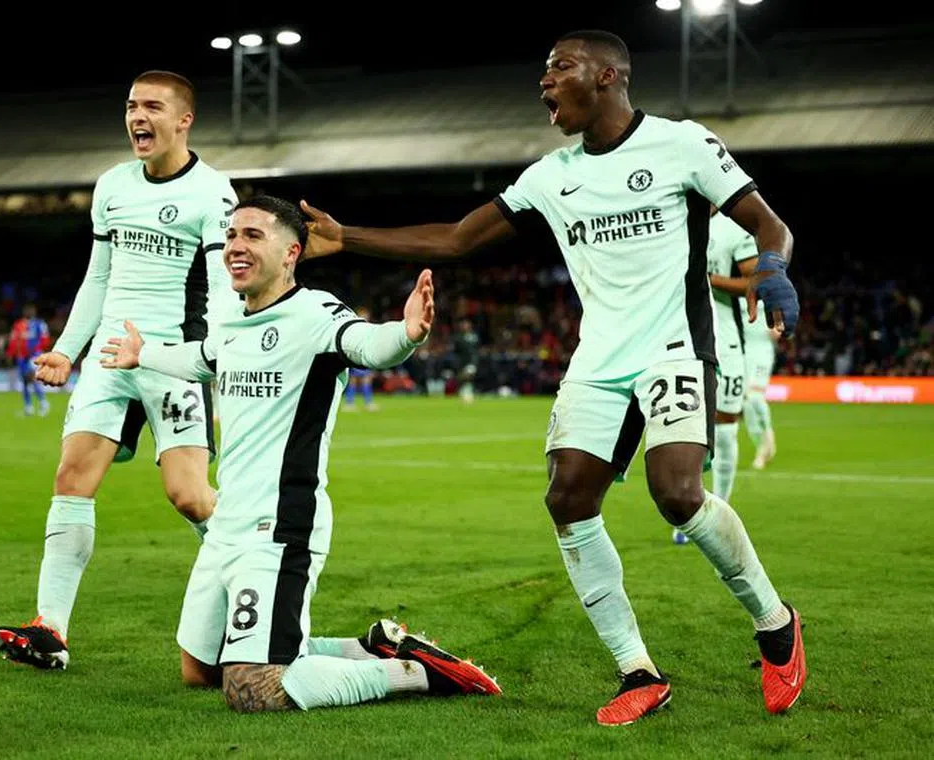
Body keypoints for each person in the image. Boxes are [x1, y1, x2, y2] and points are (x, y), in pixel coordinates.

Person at [299, 30, 804, 725]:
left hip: (676, 348)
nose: (544, 83)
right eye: (543, 71)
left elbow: (767, 223)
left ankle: (775, 624)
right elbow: (455, 240)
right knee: (568, 500)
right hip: (598, 360)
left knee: (678, 494)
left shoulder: (683, 145)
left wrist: (773, 268)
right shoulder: (551, 174)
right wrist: (346, 236)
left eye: (558, 68)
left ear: (606, 75)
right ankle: (638, 669)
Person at [99, 195, 501, 712]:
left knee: (253, 690)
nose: (235, 247)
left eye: (253, 236)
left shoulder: (315, 313)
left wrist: (406, 334)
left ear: (291, 253)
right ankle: (369, 647)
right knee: (200, 670)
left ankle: (415, 673)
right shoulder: (235, 323)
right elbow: (202, 359)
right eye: (231, 236)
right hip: (227, 525)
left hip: (281, 527)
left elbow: (367, 345)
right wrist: (143, 354)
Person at [0, 70, 240, 670]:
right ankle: (49, 630)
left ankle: (253, 596)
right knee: (71, 479)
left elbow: (224, 288)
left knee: (188, 496)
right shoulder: (112, 186)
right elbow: (98, 277)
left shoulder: (214, 192)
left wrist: (222, 354)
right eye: (131, 106)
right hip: (108, 357)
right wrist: (66, 350)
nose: (137, 116)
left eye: (152, 106)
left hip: (169, 359)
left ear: (184, 120)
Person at [672, 205, 759, 545]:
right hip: (681, 339)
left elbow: (755, 280)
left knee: (724, 430)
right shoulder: (671, 220)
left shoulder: (733, 230)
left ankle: (720, 510)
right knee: (684, 430)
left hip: (727, 341)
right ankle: (689, 512)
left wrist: (708, 280)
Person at [741, 295, 779, 469]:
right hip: (741, 351)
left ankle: (767, 437)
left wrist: (780, 327)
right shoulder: (733, 289)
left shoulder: (768, 289)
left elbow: (782, 315)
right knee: (746, 404)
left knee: (755, 397)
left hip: (762, 350)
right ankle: (761, 445)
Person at [6, 302, 51, 417]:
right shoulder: (18, 325)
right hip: (21, 356)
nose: (29, 312)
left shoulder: (40, 324)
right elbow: (13, 340)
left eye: (31, 310)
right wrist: (11, 354)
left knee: (32, 378)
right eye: (27, 310)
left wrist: (38, 350)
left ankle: (43, 403)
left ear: (34, 312)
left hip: (34, 356)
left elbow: (45, 339)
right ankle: (28, 407)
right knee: (25, 381)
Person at [342, 306, 380, 411]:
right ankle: (350, 403)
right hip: (356, 357)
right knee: (354, 381)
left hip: (365, 357)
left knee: (366, 380)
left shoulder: (368, 327)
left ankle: (367, 403)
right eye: (363, 315)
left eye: (366, 315)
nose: (365, 317)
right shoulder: (355, 327)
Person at [452, 318, 480, 403]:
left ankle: (468, 393)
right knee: (461, 379)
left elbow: (476, 349)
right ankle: (465, 393)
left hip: (472, 362)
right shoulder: (458, 338)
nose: (464, 326)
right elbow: (456, 351)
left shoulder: (475, 337)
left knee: (468, 376)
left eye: (466, 324)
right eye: (463, 324)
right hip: (461, 363)